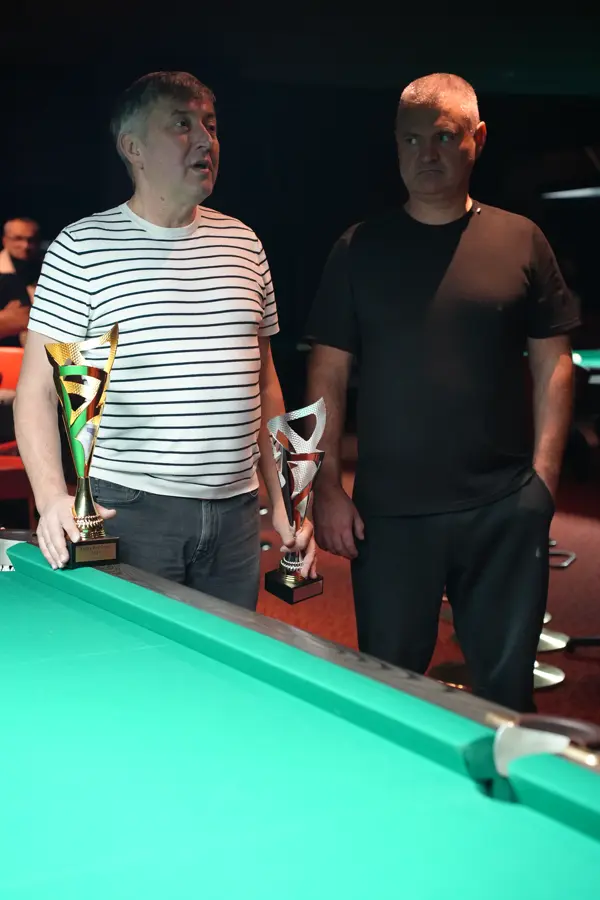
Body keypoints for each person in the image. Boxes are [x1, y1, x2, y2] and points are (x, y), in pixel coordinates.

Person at [305, 73, 579, 711]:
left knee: (507, 699)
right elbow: (328, 373)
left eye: (444, 137)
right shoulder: (358, 248)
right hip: (390, 516)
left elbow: (555, 365)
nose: (425, 154)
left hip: (503, 507)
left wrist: (543, 480)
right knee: (388, 693)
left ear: (477, 138)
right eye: (410, 139)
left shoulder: (521, 239)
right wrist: (327, 486)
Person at [14, 70, 315, 609]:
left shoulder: (245, 244)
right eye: (182, 125)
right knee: (129, 656)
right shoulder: (81, 247)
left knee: (222, 656)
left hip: (237, 513)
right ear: (133, 148)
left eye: (211, 125)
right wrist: (52, 496)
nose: (205, 140)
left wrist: (284, 497)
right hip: (127, 509)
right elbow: (36, 389)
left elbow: (264, 384)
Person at [0, 217, 43, 303]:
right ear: (4, 241)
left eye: (31, 240)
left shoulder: (49, 268)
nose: (25, 245)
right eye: (18, 238)